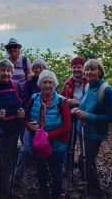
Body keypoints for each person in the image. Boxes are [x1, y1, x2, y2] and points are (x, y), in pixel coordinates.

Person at [73, 59, 112, 198]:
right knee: (89, 162)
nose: (89, 72)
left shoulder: (106, 90)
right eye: (87, 69)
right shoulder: (88, 86)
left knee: (83, 162)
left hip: (95, 133)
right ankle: (90, 185)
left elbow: (110, 117)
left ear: (100, 71)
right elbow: (84, 106)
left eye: (93, 69)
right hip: (83, 129)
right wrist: (77, 110)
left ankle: (97, 192)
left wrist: (88, 116)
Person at [26, 70, 71, 198]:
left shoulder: (63, 102)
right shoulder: (34, 98)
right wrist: (28, 125)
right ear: (40, 84)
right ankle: (43, 193)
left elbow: (66, 127)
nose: (47, 85)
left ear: (55, 84)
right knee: (40, 170)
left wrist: (48, 135)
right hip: (38, 143)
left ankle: (56, 194)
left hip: (57, 144)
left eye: (50, 82)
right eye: (44, 82)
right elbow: (26, 118)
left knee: (56, 171)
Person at [0, 59, 25, 195]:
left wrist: (23, 112)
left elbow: (23, 104)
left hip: (12, 131)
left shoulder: (16, 86)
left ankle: (4, 187)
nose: (6, 73)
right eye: (3, 70)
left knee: (8, 162)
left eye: (9, 71)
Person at [13, 58, 48, 186]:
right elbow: (24, 100)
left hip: (47, 123)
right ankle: (17, 175)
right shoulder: (29, 83)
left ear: (45, 68)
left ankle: (45, 177)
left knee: (45, 148)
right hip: (30, 121)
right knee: (25, 149)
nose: (38, 70)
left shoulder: (50, 82)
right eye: (35, 68)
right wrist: (26, 119)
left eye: (41, 67)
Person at [60, 56, 88, 175]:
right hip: (70, 113)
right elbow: (61, 97)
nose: (77, 69)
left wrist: (79, 102)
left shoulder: (89, 81)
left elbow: (92, 99)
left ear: (84, 68)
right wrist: (67, 100)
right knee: (69, 140)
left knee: (83, 141)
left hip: (84, 113)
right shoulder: (68, 82)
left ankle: (84, 168)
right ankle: (68, 165)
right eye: (74, 67)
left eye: (79, 67)